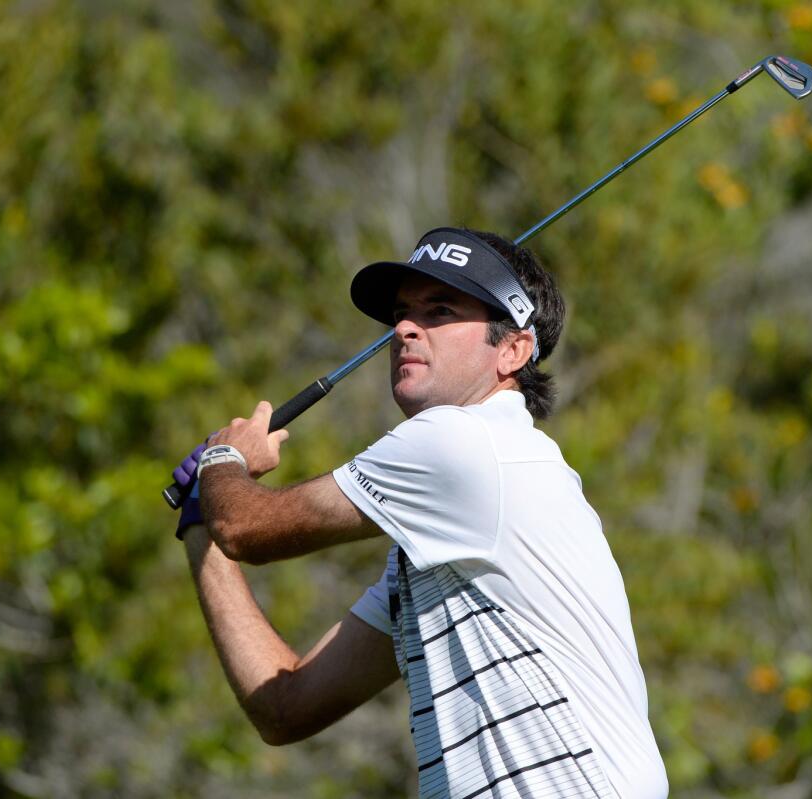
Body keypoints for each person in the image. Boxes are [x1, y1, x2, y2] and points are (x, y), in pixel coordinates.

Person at [174, 227, 668, 798]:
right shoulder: (437, 543)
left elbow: (246, 529)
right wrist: (198, 527)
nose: (405, 328)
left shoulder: (465, 443)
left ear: (513, 349)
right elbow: (286, 708)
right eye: (404, 313)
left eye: (440, 310)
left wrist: (224, 460)